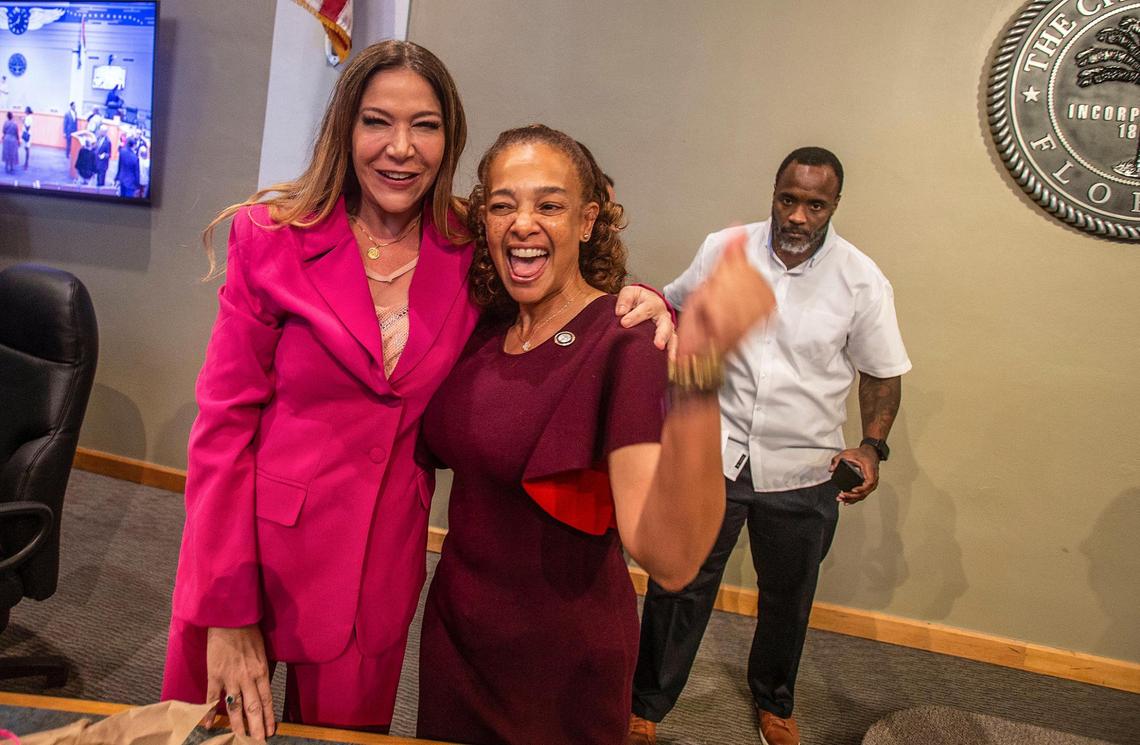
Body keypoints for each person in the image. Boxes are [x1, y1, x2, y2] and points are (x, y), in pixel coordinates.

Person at [161, 41, 672, 740]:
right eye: (377, 121)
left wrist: (645, 304)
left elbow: (562, 291)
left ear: (450, 138)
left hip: (376, 576)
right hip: (249, 559)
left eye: (424, 125)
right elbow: (221, 429)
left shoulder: (474, 250)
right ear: (346, 129)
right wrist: (225, 606)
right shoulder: (271, 238)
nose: (400, 148)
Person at [415, 124, 776, 745]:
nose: (522, 222)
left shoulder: (626, 343)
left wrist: (700, 362)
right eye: (503, 204)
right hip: (456, 634)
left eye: (549, 205)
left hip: (560, 658)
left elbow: (670, 556)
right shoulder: (482, 324)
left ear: (587, 222)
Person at [627, 147, 911, 745]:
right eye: (789, 199)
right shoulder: (724, 249)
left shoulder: (861, 279)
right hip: (714, 454)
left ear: (835, 205)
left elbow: (882, 373)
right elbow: (674, 303)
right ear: (774, 193)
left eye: (815, 204)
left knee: (788, 599)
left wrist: (871, 448)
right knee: (678, 587)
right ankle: (645, 708)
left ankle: (774, 703)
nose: (799, 216)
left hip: (804, 469)